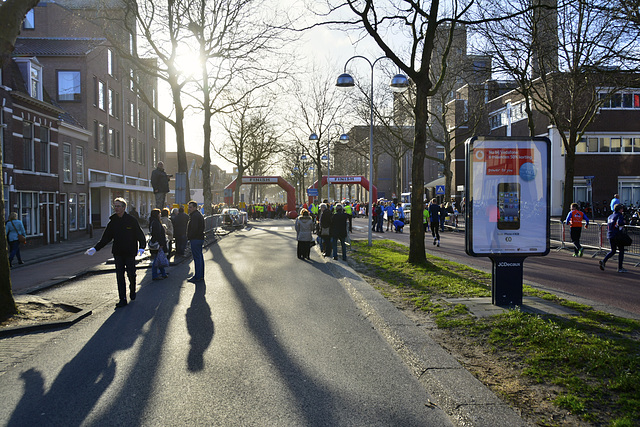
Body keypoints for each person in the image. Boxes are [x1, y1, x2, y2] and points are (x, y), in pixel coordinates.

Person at [85, 197, 146, 308]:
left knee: (131, 274)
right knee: (119, 276)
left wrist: (142, 247)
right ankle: (122, 298)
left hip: (130, 252)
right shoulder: (113, 222)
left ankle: (132, 289)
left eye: (118, 206)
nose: (116, 208)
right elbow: (106, 238)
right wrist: (95, 248)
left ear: (124, 208)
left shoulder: (131, 220)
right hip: (118, 252)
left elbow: (140, 235)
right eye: (115, 206)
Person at [600, 204, 627, 273]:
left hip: (610, 234)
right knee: (621, 250)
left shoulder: (610, 216)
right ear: (620, 210)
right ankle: (620, 267)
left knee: (613, 250)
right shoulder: (619, 215)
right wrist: (623, 222)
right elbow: (620, 223)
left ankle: (604, 260)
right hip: (617, 235)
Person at [187, 200, 205, 282]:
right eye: (188, 207)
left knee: (197, 258)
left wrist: (189, 236)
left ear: (194, 207)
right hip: (200, 238)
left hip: (195, 239)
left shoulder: (194, 216)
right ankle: (200, 275)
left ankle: (197, 276)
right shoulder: (199, 215)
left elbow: (194, 229)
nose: (189, 209)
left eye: (190, 207)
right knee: (200, 257)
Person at [149, 208, 169, 281]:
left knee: (158, 257)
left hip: (155, 242)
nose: (160, 215)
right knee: (156, 259)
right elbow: (158, 234)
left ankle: (163, 273)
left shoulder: (152, 222)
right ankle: (154, 275)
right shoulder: (156, 223)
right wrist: (161, 243)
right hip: (158, 243)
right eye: (159, 213)